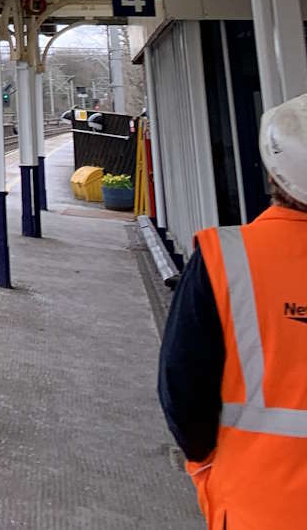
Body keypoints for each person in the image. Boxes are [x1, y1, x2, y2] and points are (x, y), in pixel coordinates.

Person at [158, 91, 307, 526]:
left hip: (257, 503)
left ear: (272, 173)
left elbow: (182, 387)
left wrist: (206, 467)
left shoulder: (227, 258)